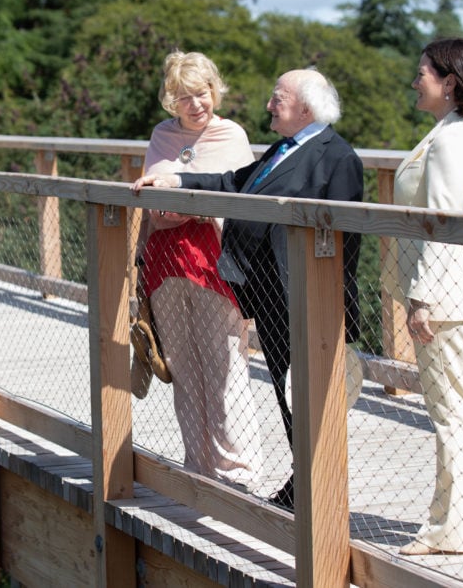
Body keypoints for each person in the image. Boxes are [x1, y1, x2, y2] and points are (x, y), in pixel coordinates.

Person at [131, 68, 364, 510]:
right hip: (272, 294)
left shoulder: (337, 157)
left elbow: (346, 244)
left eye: (278, 98)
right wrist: (176, 181)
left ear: (306, 108)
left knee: (312, 396)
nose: (269, 105)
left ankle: (323, 493)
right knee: (288, 392)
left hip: (308, 299)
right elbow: (232, 182)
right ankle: (305, 484)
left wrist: (329, 303)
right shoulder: (284, 148)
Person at [385, 37, 463, 556]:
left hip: (447, 289)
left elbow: (441, 219)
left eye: (422, 74)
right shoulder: (460, 132)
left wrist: (422, 299)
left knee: (453, 410)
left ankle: (453, 529)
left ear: (449, 81)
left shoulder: (452, 139)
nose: (415, 82)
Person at [136, 51, 265, 490]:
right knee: (183, 367)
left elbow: (241, 201)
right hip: (166, 261)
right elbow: (153, 199)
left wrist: (186, 206)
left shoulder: (231, 134)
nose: (196, 105)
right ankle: (200, 466)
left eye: (202, 93)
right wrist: (176, 208)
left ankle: (240, 472)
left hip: (214, 262)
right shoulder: (162, 135)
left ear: (215, 90)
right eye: (185, 97)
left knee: (225, 364)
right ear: (171, 101)